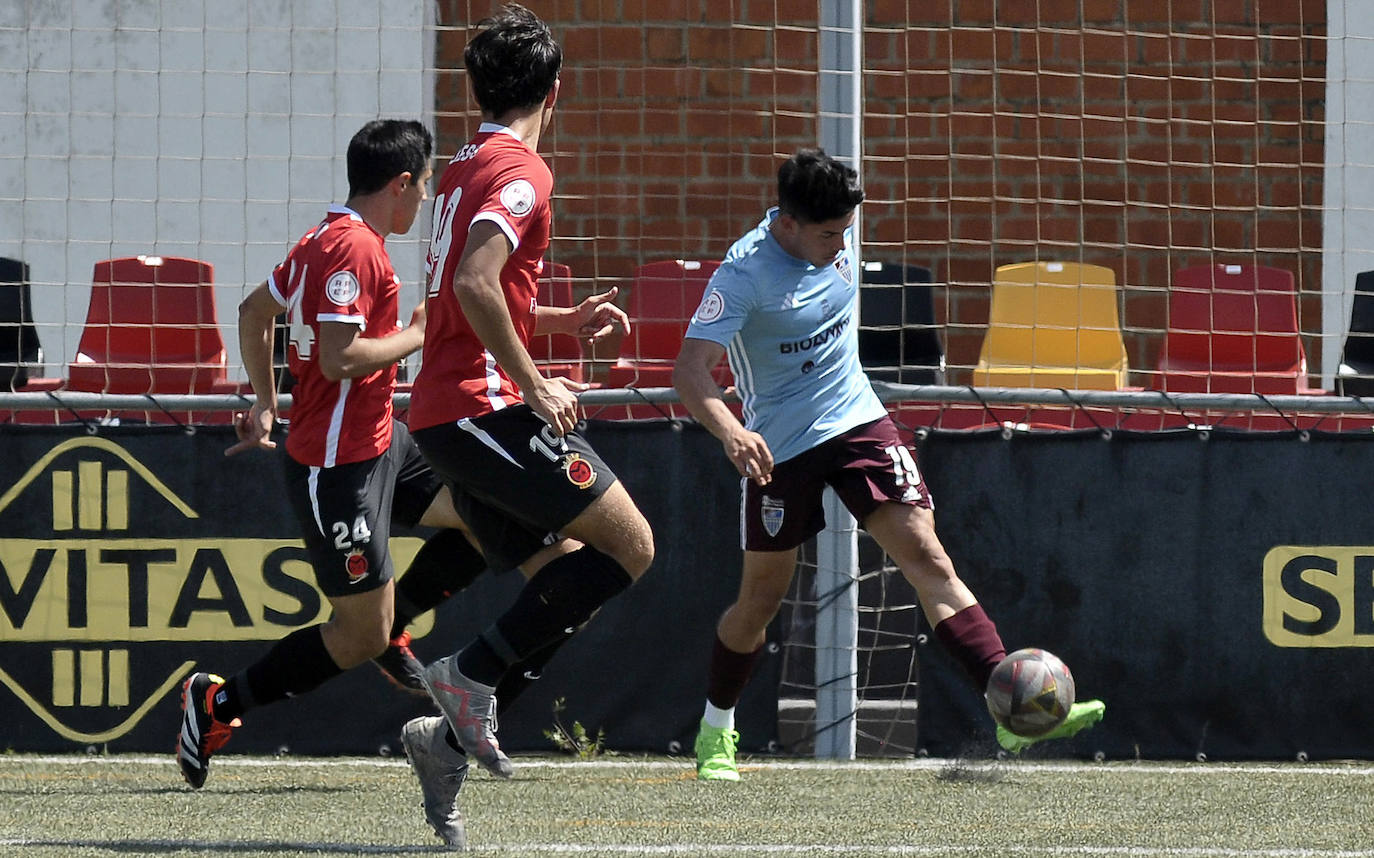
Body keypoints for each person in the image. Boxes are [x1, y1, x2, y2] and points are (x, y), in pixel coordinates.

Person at [672, 148, 1106, 781]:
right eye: (829, 234)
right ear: (788, 223)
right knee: (760, 602)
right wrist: (731, 430)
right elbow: (689, 373)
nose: (841, 245)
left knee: (927, 557)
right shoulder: (742, 276)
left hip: (857, 418)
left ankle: (1010, 710)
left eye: (847, 231)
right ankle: (717, 728)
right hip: (778, 446)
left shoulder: (834, 235)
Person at [174, 119, 499, 846]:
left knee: (492, 517)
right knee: (356, 636)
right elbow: (341, 358)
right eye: (423, 186)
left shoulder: (326, 239)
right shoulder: (352, 249)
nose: (424, 202)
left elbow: (254, 310)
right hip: (337, 468)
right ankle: (219, 702)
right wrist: (424, 332)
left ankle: (394, 628)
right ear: (402, 184)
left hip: (386, 443)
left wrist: (263, 400)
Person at [406, 2, 654, 798]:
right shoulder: (522, 171)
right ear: (556, 90)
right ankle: (465, 674)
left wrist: (559, 321)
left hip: (450, 416)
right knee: (632, 547)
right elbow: (476, 284)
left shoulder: (462, 164)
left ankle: (444, 741)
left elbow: (472, 292)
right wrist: (538, 380)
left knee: (567, 572)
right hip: (481, 411)